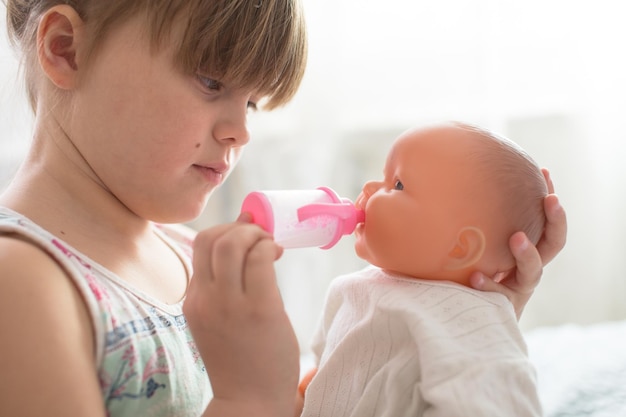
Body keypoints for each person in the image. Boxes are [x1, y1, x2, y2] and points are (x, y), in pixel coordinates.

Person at [0, 0, 565, 415]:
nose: (239, 131)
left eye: (251, 101)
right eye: (210, 80)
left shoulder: (193, 257)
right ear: (65, 49)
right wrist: (248, 398)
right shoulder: (20, 283)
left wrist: (463, 314)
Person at [299, 122, 557, 417]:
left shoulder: (470, 322)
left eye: (397, 185)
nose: (369, 189)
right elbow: (324, 372)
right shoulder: (348, 288)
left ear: (460, 248)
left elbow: (498, 401)